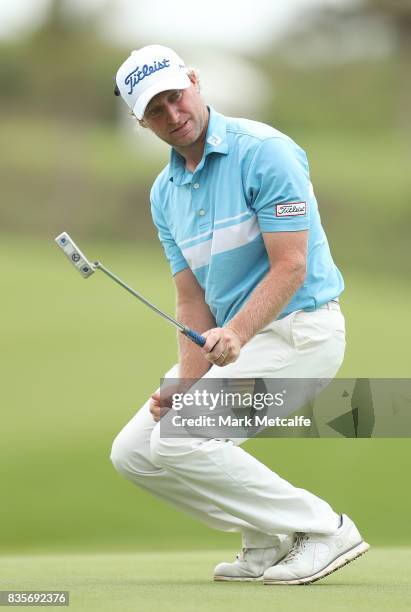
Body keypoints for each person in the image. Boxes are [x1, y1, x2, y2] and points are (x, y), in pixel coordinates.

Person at [110, 44, 369, 585]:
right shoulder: (165, 192)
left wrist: (238, 331)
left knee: (181, 437)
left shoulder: (264, 151)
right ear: (140, 121)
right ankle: (270, 536)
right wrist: (185, 381)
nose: (172, 116)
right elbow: (191, 300)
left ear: (195, 82)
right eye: (155, 110)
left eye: (175, 97)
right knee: (134, 452)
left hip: (302, 332)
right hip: (242, 341)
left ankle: (324, 528)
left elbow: (291, 265)